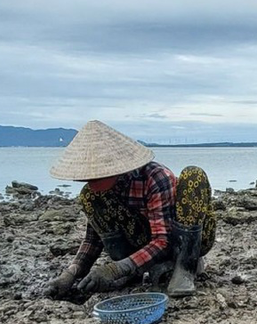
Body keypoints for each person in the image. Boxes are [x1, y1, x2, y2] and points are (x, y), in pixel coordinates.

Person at [46, 120, 216, 299]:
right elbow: (93, 239)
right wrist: (71, 273)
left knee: (193, 175)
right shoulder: (94, 194)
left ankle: (185, 268)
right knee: (89, 197)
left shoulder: (155, 178)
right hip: (144, 245)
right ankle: (133, 273)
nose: (89, 181)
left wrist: (116, 269)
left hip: (181, 240)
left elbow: (162, 240)